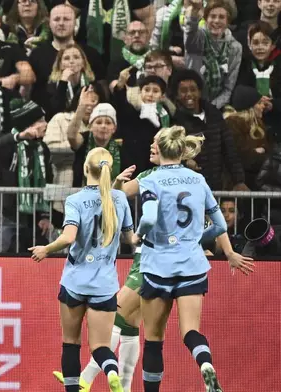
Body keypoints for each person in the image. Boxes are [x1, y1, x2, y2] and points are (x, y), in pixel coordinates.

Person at [130, 126, 254, 391]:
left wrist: (138, 235)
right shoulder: (198, 180)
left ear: (161, 148)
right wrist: (196, 236)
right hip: (192, 265)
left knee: (153, 339)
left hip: (158, 266)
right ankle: (205, 363)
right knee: (190, 331)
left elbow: (150, 217)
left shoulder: (151, 178)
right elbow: (220, 225)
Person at [29, 147, 134, 392]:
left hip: (75, 282)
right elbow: (131, 238)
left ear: (86, 168)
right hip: (105, 285)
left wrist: (46, 249)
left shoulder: (75, 200)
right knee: (100, 347)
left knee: (71, 343)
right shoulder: (119, 199)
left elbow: (68, 237)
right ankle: (111, 371)